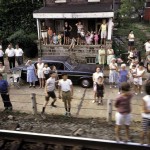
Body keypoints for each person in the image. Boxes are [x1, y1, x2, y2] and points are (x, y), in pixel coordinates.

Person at [141, 80, 150, 145]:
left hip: (146, 117)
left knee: (147, 131)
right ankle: (141, 143)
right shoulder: (145, 98)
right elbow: (144, 110)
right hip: (146, 118)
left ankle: (148, 143)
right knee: (144, 131)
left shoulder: (145, 98)